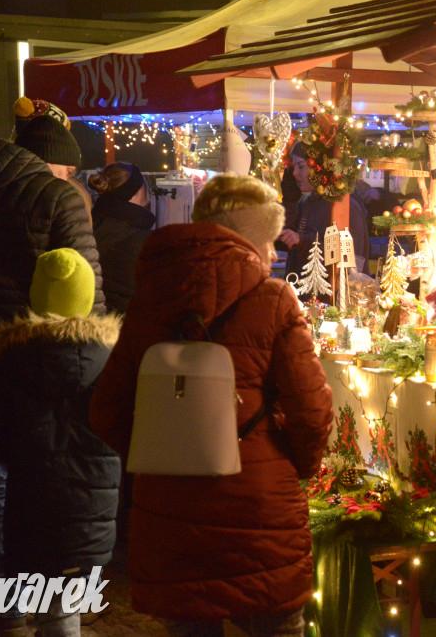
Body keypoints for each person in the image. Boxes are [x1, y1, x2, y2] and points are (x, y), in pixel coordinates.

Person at [90, 174, 334, 637]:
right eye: (270, 242)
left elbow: (107, 409)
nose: (274, 254)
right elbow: (312, 411)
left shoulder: (151, 299)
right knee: (277, 627)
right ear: (257, 239)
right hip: (260, 507)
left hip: (171, 513)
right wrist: (291, 466)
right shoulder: (274, 298)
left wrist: (161, 453)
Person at [0, 133, 105, 632]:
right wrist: (97, 353)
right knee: (58, 482)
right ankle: (61, 611)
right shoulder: (55, 196)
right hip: (48, 355)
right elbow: (86, 284)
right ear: (56, 163)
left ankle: (7, 602)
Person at [0, 248, 121, 636]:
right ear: (88, 298)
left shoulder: (10, 359)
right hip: (95, 513)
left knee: (45, 595)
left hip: (31, 505)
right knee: (64, 609)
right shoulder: (114, 360)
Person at [278, 141, 369, 278]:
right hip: (305, 291)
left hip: (333, 294)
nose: (295, 173)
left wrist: (302, 241)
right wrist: (290, 201)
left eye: (301, 167)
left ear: (319, 168)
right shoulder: (308, 201)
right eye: (293, 168)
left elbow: (350, 255)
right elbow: (284, 235)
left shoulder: (345, 205)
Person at [89, 162, 156, 313]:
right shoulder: (144, 241)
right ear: (133, 194)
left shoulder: (89, 224)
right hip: (130, 325)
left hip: (94, 320)